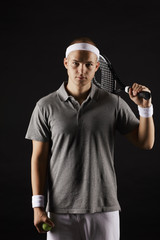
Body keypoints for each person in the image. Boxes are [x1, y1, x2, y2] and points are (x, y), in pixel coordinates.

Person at [25, 37, 155, 240]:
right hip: (59, 211)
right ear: (66, 63)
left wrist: (144, 109)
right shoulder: (45, 106)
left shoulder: (113, 103)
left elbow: (146, 142)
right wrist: (38, 207)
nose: (81, 70)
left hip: (104, 208)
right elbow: (38, 159)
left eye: (88, 65)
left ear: (96, 67)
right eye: (76, 63)